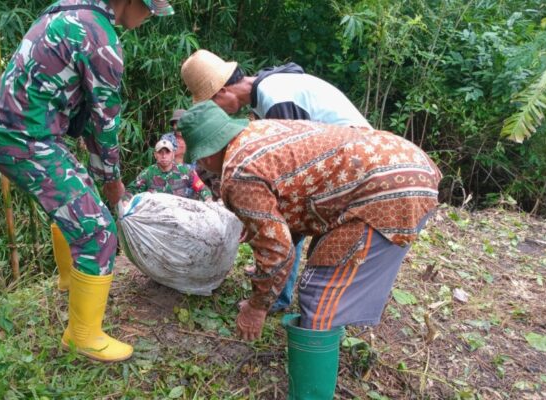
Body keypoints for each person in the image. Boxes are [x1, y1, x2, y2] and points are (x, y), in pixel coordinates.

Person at [178, 101, 441, 396]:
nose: (200, 165)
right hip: (401, 164)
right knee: (322, 274)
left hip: (388, 192)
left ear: (209, 152)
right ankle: (323, 353)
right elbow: (292, 193)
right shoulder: (255, 133)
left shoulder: (238, 173)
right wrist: (257, 226)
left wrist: (257, 306)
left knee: (319, 295)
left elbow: (278, 251)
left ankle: (311, 392)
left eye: (199, 158)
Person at [0, 0, 174, 363]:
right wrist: (112, 181)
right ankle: (83, 336)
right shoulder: (100, 39)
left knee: (79, 199)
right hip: (24, 138)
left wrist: (97, 176)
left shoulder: (70, 11)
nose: (149, 18)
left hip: (7, 128)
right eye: (149, 9)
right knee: (98, 229)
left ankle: (73, 281)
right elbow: (105, 122)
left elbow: (81, 108)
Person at [180, 49, 373, 313]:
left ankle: (279, 297)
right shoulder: (269, 87)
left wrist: (270, 239)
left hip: (355, 164)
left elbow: (290, 186)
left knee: (290, 225)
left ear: (222, 92)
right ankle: (286, 286)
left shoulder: (275, 100)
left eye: (213, 106)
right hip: (347, 159)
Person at [127, 138, 212, 201]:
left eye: (167, 152)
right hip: (156, 217)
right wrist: (125, 201)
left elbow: (202, 188)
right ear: (155, 155)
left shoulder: (185, 171)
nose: (164, 156)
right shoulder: (148, 173)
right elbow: (131, 190)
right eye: (160, 152)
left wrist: (208, 199)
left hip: (179, 216)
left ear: (173, 154)